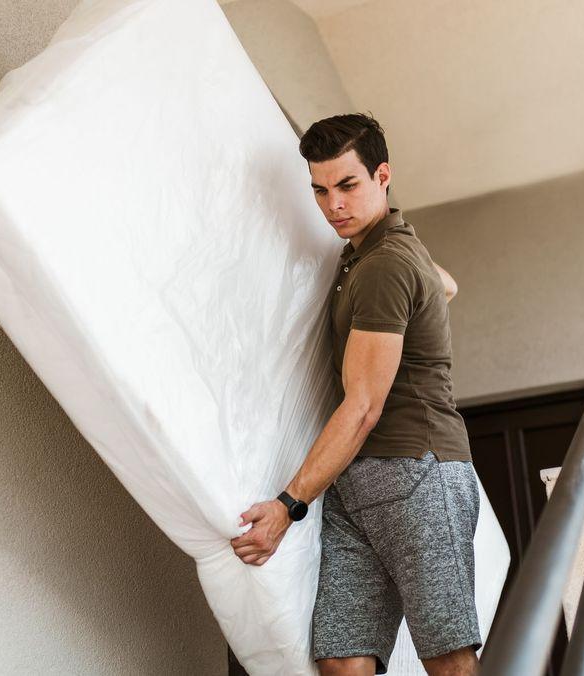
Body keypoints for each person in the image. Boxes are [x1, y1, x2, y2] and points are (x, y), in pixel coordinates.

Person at [230, 113, 480, 676]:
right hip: (354, 483)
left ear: (382, 175)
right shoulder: (375, 251)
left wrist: (287, 506)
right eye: (320, 190)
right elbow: (447, 285)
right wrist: (418, 279)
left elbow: (364, 407)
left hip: (417, 473)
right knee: (343, 661)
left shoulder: (384, 264)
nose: (333, 205)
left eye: (347, 185)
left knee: (448, 659)